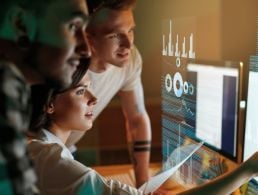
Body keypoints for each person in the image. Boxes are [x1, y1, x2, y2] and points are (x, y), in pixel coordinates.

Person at [28, 66, 258, 195]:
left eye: (89, 88)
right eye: (80, 92)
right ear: (50, 104)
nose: (94, 98)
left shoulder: (43, 149)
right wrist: (247, 170)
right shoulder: (50, 160)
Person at [0, 0, 91, 194]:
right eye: (73, 26)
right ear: (20, 24)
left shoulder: (17, 87)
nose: (86, 49)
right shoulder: (5, 82)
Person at [66, 0, 152, 187]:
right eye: (115, 35)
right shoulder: (64, 65)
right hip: (35, 153)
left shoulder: (131, 59)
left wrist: (144, 185)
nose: (128, 43)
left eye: (131, 30)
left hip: (67, 150)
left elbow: (137, 119)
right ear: (88, 37)